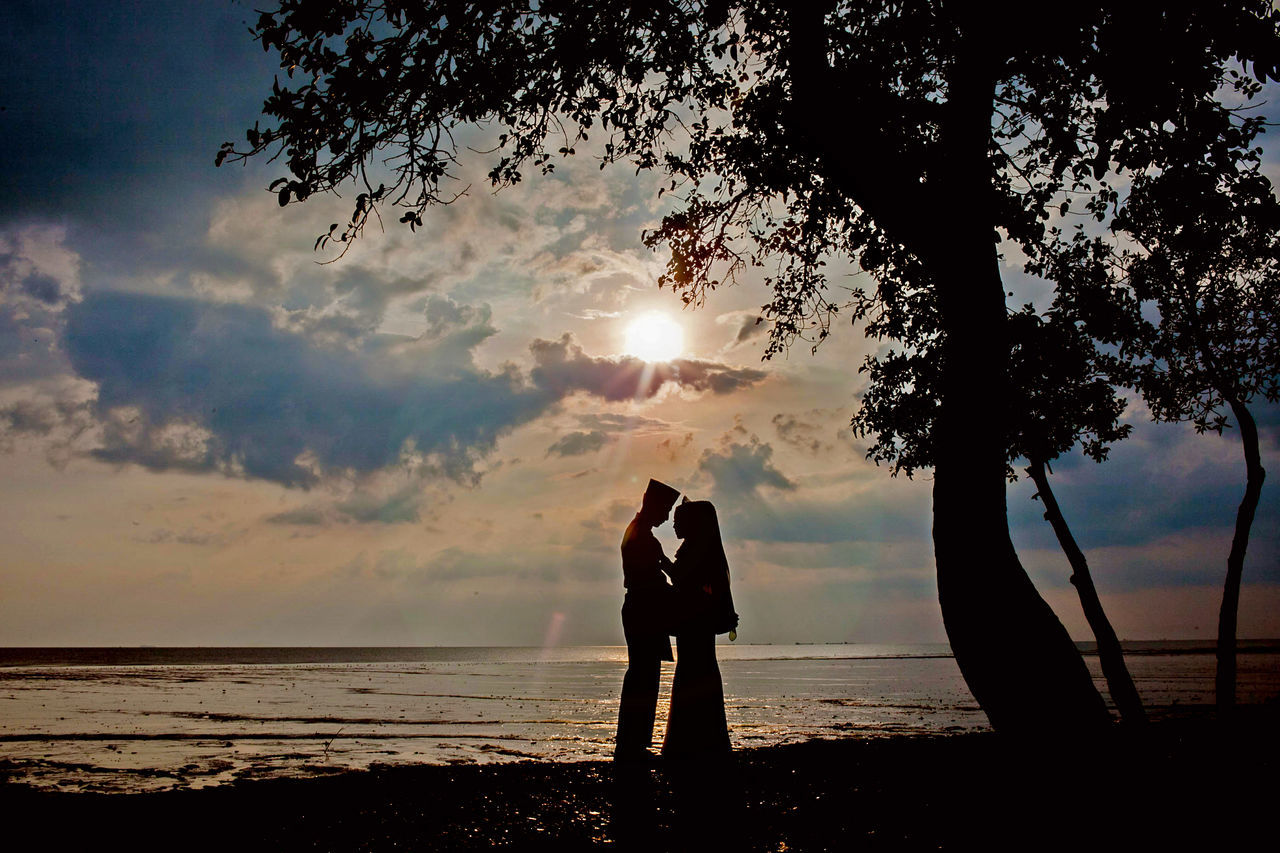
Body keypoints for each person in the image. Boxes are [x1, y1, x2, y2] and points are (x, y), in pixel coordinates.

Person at [662, 498, 736, 760]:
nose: (674, 526)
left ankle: (692, 740)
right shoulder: (698, 549)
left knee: (692, 674)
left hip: (694, 624)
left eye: (678, 521)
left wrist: (663, 565)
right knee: (696, 674)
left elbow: (686, 582)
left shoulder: (696, 551)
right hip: (694, 625)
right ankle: (703, 738)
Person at [614, 478, 681, 761]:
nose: (666, 518)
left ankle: (633, 742)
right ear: (651, 505)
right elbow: (653, 581)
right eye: (664, 511)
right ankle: (633, 744)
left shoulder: (640, 533)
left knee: (642, 676)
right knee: (644, 677)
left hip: (641, 609)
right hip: (644, 611)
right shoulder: (641, 536)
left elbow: (662, 571)